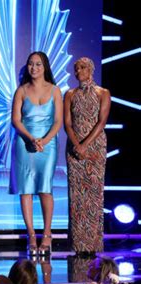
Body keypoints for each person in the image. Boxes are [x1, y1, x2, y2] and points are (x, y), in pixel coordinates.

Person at [9, 51, 63, 256]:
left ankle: (47, 234)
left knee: (45, 188)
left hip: (47, 145)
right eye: (31, 64)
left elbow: (58, 121)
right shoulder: (21, 91)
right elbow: (16, 120)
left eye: (38, 64)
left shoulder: (55, 90)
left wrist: (44, 140)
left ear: (45, 67)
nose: (34, 68)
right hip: (25, 142)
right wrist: (30, 139)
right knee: (26, 189)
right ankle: (31, 234)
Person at [64, 57, 111, 255]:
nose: (78, 71)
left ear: (90, 69)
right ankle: (78, 245)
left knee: (93, 195)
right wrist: (77, 144)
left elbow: (101, 122)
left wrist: (86, 144)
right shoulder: (70, 94)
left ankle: (92, 245)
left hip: (95, 147)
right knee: (77, 197)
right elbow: (67, 123)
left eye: (81, 68)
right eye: (75, 69)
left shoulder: (103, 93)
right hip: (75, 149)